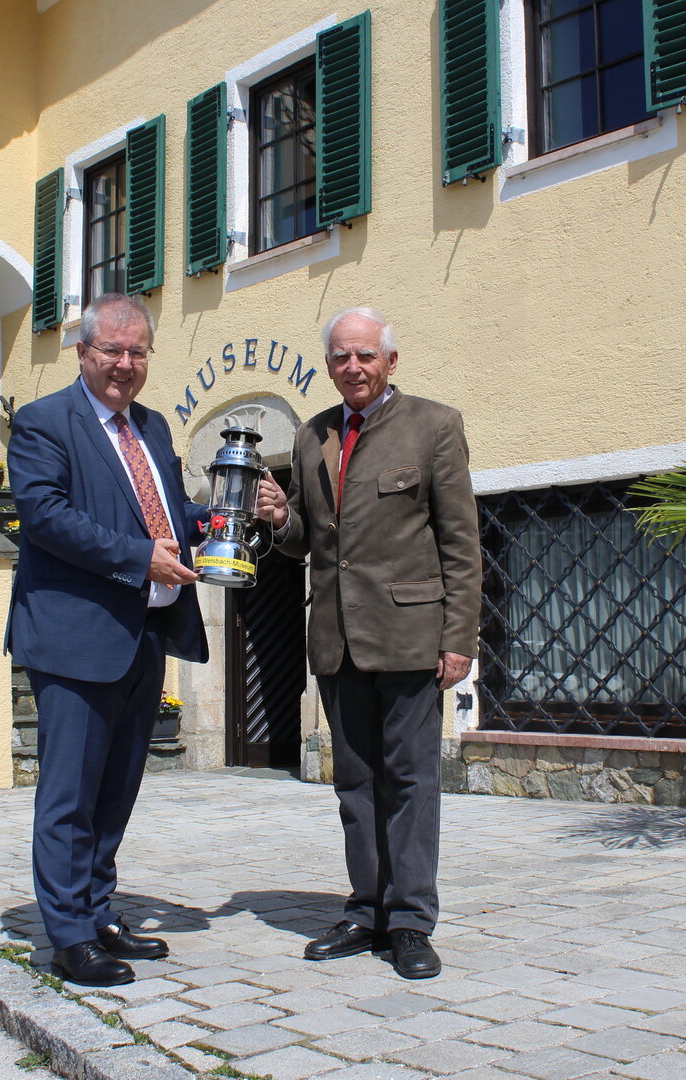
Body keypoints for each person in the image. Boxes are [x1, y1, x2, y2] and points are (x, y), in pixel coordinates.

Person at [256, 307, 481, 980]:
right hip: (335, 638)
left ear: (389, 361)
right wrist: (280, 518)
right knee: (355, 782)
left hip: (412, 637)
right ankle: (366, 909)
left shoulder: (434, 426)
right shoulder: (311, 434)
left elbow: (461, 544)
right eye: (339, 358)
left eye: (364, 356)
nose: (351, 367)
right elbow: (311, 543)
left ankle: (410, 921)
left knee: (410, 782)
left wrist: (460, 637)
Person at [6, 293, 207, 987]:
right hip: (74, 638)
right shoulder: (42, 423)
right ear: (83, 352)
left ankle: (95, 912)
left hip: (143, 634)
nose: (125, 364)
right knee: (70, 794)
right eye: (112, 351)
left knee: (116, 790)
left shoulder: (150, 427)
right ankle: (67, 937)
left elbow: (171, 514)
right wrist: (136, 557)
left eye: (138, 352)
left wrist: (230, 512)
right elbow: (44, 514)